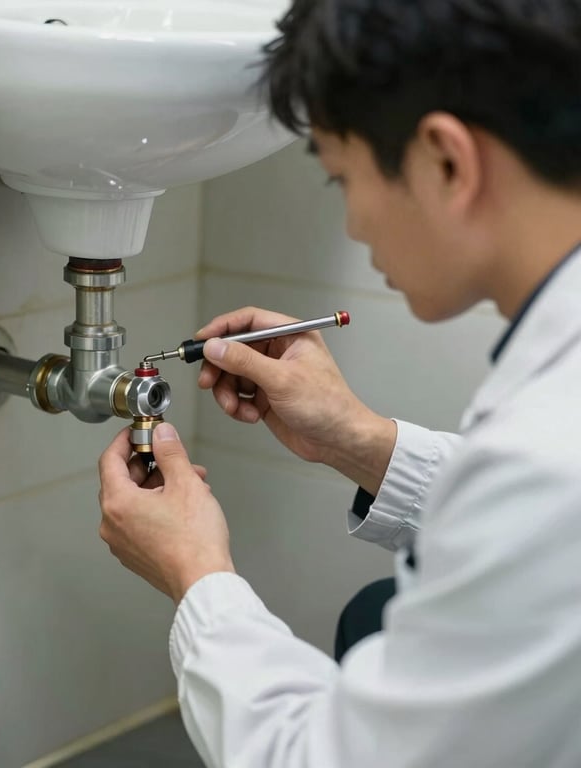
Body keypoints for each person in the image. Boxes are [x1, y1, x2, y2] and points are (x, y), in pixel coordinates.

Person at [97, 1, 581, 765]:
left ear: (446, 161)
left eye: (340, 177)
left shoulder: (539, 463)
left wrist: (197, 574)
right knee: (376, 615)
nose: (354, 225)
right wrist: (359, 440)